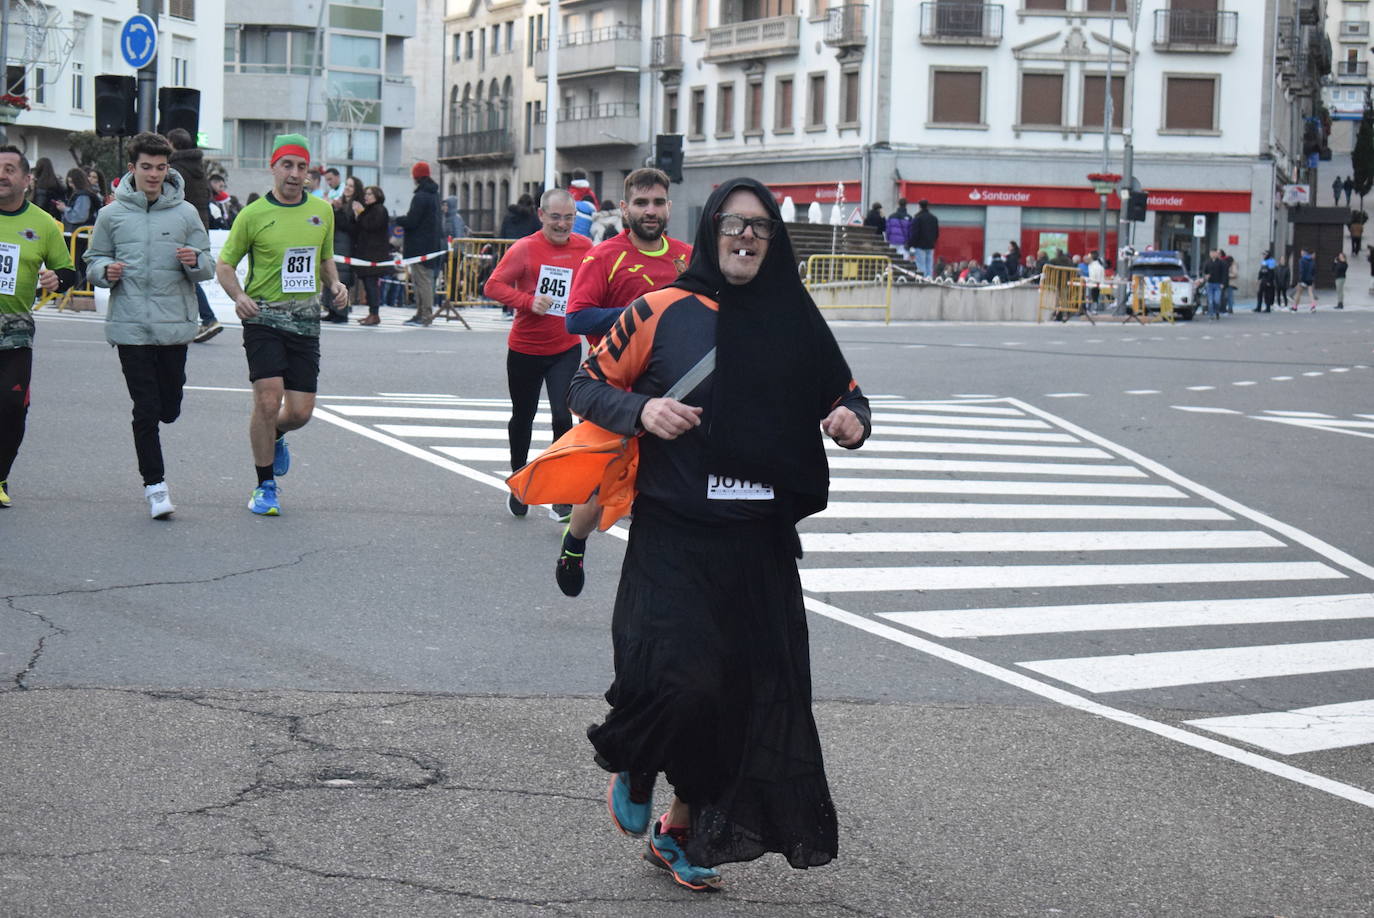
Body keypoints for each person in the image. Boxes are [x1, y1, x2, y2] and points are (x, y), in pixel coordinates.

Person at [573, 176, 869, 892]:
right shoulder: (662, 310)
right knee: (680, 681)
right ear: (710, 233)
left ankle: (679, 827)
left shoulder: (795, 321)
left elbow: (846, 392)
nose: (747, 237)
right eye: (734, 224)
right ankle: (639, 762)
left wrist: (852, 421)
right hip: (674, 532)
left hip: (758, 544)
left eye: (761, 228)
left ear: (775, 241)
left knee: (742, 700)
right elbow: (587, 383)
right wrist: (642, 412)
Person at [556, 167, 693, 597]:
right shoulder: (604, 256)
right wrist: (641, 312)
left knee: (666, 493)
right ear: (624, 208)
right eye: (641, 203)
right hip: (614, 394)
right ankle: (575, 544)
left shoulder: (688, 257)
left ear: (668, 207)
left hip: (674, 396)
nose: (649, 211)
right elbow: (576, 317)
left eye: (657, 203)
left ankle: (658, 586)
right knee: (600, 492)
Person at [214, 133, 347, 516]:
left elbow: (324, 259)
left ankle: (276, 434)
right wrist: (239, 296)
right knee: (268, 398)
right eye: (287, 165)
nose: (294, 174)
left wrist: (335, 284)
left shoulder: (322, 210)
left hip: (305, 322)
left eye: (301, 166)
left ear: (309, 172)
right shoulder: (253, 214)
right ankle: (265, 485)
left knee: (300, 412)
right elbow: (224, 265)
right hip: (263, 318)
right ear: (273, 167)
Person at [84, 132, 213, 519]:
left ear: (167, 169)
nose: (154, 174)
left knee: (168, 407)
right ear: (132, 169)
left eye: (160, 167)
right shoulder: (111, 214)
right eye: (146, 167)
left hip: (174, 326)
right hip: (130, 327)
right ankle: (155, 487)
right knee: (145, 408)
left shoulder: (186, 213)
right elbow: (92, 260)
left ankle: (163, 424)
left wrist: (193, 261)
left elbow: (206, 265)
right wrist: (105, 271)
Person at [483, 189, 590, 518]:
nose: (562, 224)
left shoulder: (585, 248)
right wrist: (528, 302)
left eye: (568, 218)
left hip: (566, 347)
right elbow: (493, 286)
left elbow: (601, 281)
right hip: (526, 348)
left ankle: (561, 493)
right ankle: (519, 480)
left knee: (563, 417)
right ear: (541, 215)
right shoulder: (525, 248)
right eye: (555, 217)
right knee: (523, 416)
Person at [0, 145, 79, 508]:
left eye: (10, 169)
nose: (2, 174)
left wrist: (55, 280)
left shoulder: (44, 224)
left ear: (26, 179)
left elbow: (67, 272)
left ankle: (0, 476)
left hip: (15, 330)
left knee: (13, 406)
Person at [164, 128, 222, 344]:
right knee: (186, 272)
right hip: (199, 224)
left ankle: (207, 318)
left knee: (181, 273)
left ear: (171, 143)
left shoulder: (176, 169)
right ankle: (202, 318)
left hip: (182, 225)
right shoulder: (198, 167)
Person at [395, 161, 442, 327]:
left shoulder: (420, 196)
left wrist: (398, 220)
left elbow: (413, 221)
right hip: (431, 245)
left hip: (419, 246)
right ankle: (421, 313)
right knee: (423, 281)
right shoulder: (434, 195)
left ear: (416, 176)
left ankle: (424, 315)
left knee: (422, 282)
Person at [352, 186, 392, 326]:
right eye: (366, 194)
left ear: (377, 196)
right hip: (366, 253)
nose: (366, 197)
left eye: (369, 194)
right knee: (368, 286)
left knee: (371, 285)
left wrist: (360, 213)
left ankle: (374, 314)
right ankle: (371, 313)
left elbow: (371, 226)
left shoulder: (379, 209)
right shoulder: (369, 210)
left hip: (374, 254)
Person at [324, 175, 358, 323]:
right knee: (329, 276)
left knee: (341, 278)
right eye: (347, 185)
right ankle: (331, 309)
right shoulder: (342, 203)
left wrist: (337, 210)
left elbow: (350, 226)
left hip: (345, 246)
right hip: (335, 243)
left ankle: (341, 312)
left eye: (351, 186)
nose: (347, 189)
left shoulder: (355, 205)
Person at [907, 198, 939, 276]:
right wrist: (933, 241)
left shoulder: (917, 218)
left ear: (919, 207)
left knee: (921, 265)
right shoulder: (934, 218)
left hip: (919, 245)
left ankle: (923, 281)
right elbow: (937, 233)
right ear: (928, 206)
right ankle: (929, 280)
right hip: (930, 245)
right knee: (929, 265)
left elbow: (914, 233)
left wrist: (911, 244)